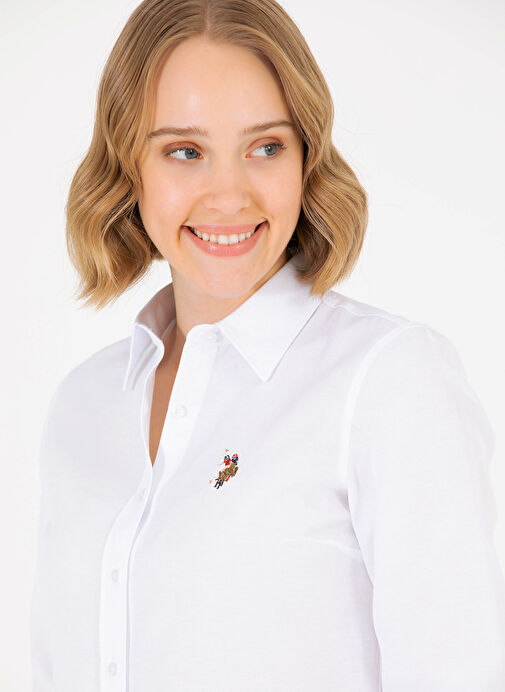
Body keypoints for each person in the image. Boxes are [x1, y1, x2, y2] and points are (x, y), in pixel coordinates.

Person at [30, 0, 505, 690]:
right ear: (130, 167)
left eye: (266, 147)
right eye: (184, 151)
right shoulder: (85, 403)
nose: (229, 196)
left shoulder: (387, 380)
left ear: (306, 158)